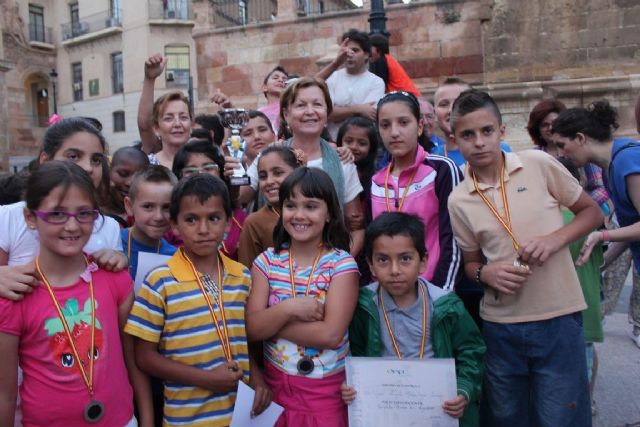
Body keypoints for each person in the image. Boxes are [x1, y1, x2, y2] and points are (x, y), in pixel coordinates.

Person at [447, 89, 603, 426]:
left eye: (487, 131)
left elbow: (592, 214)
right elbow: (470, 262)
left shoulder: (538, 164)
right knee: (507, 418)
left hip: (558, 318)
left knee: (561, 417)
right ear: (454, 139)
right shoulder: (459, 199)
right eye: (468, 135)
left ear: (501, 131)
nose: (479, 142)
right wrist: (485, 275)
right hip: (502, 326)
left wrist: (554, 240)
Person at [0, 161, 152, 426]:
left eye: (83, 214)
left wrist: (148, 419)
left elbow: (134, 360)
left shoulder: (114, 278)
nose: (72, 226)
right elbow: (5, 393)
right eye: (57, 214)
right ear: (30, 218)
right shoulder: (15, 294)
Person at [125, 174, 271, 427]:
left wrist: (257, 380)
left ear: (228, 223)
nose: (203, 230)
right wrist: (206, 379)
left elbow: (240, 341)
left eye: (213, 218)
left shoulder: (242, 276)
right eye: (191, 219)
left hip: (240, 416)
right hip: (186, 419)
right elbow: (144, 358)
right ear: (175, 225)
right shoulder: (160, 281)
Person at [345, 212, 485, 427]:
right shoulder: (364, 306)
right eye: (383, 260)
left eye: (405, 259)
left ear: (423, 261)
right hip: (385, 413)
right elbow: (354, 352)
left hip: (436, 411)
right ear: (371, 266)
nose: (394, 270)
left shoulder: (446, 306)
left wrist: (463, 390)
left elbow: (472, 352)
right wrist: (351, 384)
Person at [246, 167, 359, 426]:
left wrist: (270, 323)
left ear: (329, 213)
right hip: (277, 390)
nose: (299, 215)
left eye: (311, 206)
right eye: (290, 205)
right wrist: (289, 308)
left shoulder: (342, 265)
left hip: (327, 395)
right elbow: (251, 329)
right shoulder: (266, 262)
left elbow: (330, 335)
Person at [0, 118, 127, 300]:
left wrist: (118, 261)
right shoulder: (7, 217)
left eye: (96, 160)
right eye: (74, 156)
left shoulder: (110, 228)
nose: (88, 167)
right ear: (45, 160)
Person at [240, 77, 365, 256]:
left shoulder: (341, 161)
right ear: (286, 114)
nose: (310, 111)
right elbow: (242, 196)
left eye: (317, 104)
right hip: (274, 269)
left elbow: (356, 226)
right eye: (301, 105)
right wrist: (232, 172)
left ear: (326, 113)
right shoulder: (268, 155)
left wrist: (338, 267)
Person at [552, 100, 640, 348]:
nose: (560, 153)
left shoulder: (625, 160)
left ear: (580, 138)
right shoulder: (612, 164)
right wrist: (597, 263)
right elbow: (631, 232)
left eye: (562, 145)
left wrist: (602, 237)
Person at [369, 91, 463, 291]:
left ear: (420, 126)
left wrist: (440, 295)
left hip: (432, 291)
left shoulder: (441, 170)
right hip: (387, 296)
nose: (394, 132)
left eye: (403, 122)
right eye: (385, 125)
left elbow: (453, 240)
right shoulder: (376, 181)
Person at [527, 99, 611, 214]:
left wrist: (581, 206)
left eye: (554, 123)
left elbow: (600, 188)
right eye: (544, 125)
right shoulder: (534, 155)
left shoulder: (581, 149)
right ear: (537, 130)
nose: (550, 128)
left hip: (589, 212)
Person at [171, 140, 247, 260]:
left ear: (222, 172)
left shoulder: (240, 219)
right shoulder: (171, 220)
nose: (201, 174)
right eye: (190, 171)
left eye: (208, 168)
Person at [238, 146, 303, 268]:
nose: (269, 181)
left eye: (278, 173)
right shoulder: (254, 223)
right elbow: (247, 274)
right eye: (263, 176)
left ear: (297, 172)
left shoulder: (312, 213)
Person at [319, 29, 385, 140]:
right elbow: (326, 114)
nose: (349, 54)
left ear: (366, 55)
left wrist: (339, 112)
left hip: (362, 144)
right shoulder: (332, 78)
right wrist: (358, 109)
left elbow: (367, 117)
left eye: (355, 50)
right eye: (346, 50)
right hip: (333, 144)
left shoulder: (376, 82)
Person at [432, 78, 512, 168]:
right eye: (444, 104)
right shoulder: (432, 159)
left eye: (460, 103)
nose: (451, 110)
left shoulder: (502, 151)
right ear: (434, 113)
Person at [121, 165, 177, 283]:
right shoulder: (113, 243)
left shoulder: (174, 257)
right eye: (148, 207)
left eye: (167, 207)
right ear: (129, 206)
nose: (158, 217)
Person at [137, 54, 193, 169]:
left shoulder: (201, 163)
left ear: (191, 125)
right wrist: (149, 79)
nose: (177, 124)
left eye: (183, 117)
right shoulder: (150, 164)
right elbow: (144, 125)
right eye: (168, 118)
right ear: (157, 128)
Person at [104, 146, 150, 228]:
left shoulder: (152, 216)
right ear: (109, 171)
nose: (130, 183)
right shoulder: (94, 211)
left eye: (138, 176)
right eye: (123, 174)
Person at [368, 32, 421, 97]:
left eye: (370, 47)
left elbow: (380, 88)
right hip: (408, 96)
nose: (367, 51)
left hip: (406, 98)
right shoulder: (387, 59)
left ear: (378, 49)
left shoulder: (381, 61)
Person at [258, 66, 288, 133]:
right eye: (275, 78)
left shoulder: (289, 107)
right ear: (264, 87)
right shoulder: (258, 112)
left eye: (285, 79)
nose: (281, 80)